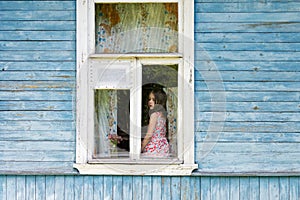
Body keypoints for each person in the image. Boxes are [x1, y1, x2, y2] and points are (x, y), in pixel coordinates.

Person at [141, 89, 170, 157]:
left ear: (159, 101)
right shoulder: (162, 115)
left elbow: (149, 135)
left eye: (153, 100)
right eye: (149, 99)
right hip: (163, 146)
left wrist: (141, 148)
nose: (150, 102)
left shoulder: (154, 115)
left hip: (154, 147)